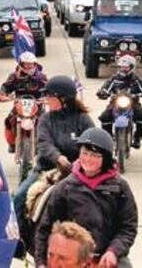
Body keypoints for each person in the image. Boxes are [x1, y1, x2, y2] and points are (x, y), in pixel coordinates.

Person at [35, 128, 138, 268]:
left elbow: (128, 227)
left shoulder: (119, 187)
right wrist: (41, 262)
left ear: (106, 158)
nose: (88, 159)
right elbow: (45, 228)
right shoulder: (66, 186)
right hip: (71, 260)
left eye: (95, 155)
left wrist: (114, 251)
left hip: (106, 258)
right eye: (85, 153)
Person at [13, 77, 95, 228]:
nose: (46, 100)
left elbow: (92, 142)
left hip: (78, 170)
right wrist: (58, 157)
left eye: (50, 96)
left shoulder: (83, 119)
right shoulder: (45, 119)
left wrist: (81, 163)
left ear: (63, 99)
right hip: (46, 169)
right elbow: (43, 144)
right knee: (18, 197)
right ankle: (19, 241)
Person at [96, 55, 142, 149]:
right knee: (104, 117)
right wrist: (102, 92)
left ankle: (137, 137)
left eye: (126, 67)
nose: (123, 69)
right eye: (122, 67)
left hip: (132, 103)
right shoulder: (114, 78)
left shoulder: (136, 79)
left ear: (131, 67)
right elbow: (105, 87)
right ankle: (109, 138)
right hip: (115, 103)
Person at [0, 52, 48, 153]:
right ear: (21, 63)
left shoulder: (41, 77)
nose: (29, 66)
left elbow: (49, 88)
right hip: (19, 105)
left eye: (31, 63)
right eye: (26, 63)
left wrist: (49, 97)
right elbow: (6, 87)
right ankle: (12, 143)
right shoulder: (14, 76)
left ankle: (44, 145)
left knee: (46, 123)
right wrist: (2, 94)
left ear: (35, 64)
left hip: (37, 105)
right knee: (8, 121)